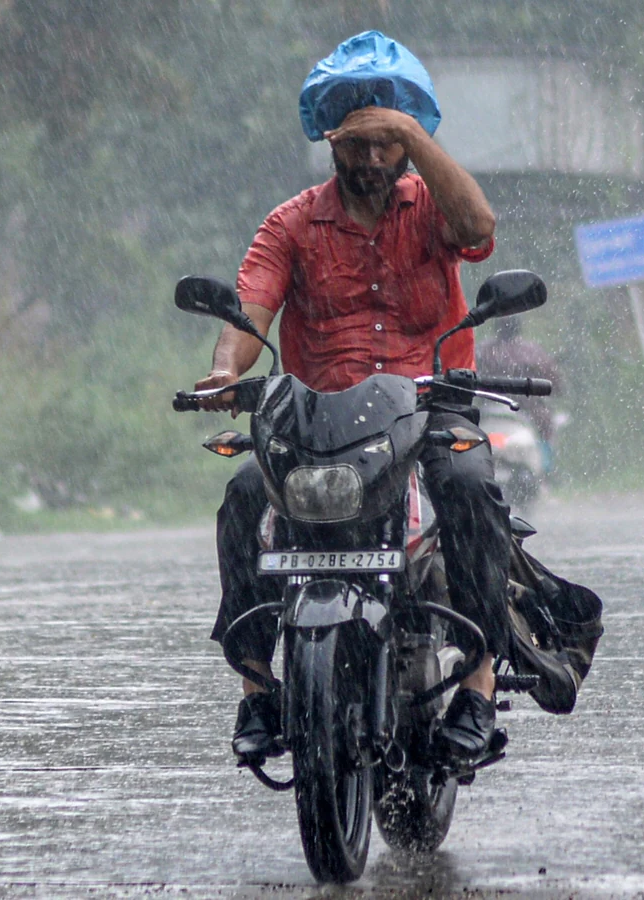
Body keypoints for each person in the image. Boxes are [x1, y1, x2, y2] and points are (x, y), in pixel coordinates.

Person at [195, 34, 566, 768]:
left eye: (386, 144)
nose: (371, 160)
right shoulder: (290, 224)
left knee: (467, 486)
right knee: (243, 495)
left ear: (409, 141)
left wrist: (412, 137)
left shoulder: (434, 207)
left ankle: (480, 687)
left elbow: (479, 229)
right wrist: (222, 374)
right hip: (316, 423)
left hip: (431, 408)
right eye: (357, 144)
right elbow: (250, 314)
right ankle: (255, 687)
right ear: (330, 139)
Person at [476, 316, 564, 457]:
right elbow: (557, 386)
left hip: (486, 413)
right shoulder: (533, 353)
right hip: (529, 414)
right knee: (547, 429)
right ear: (519, 327)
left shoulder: (482, 351)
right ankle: (544, 468)